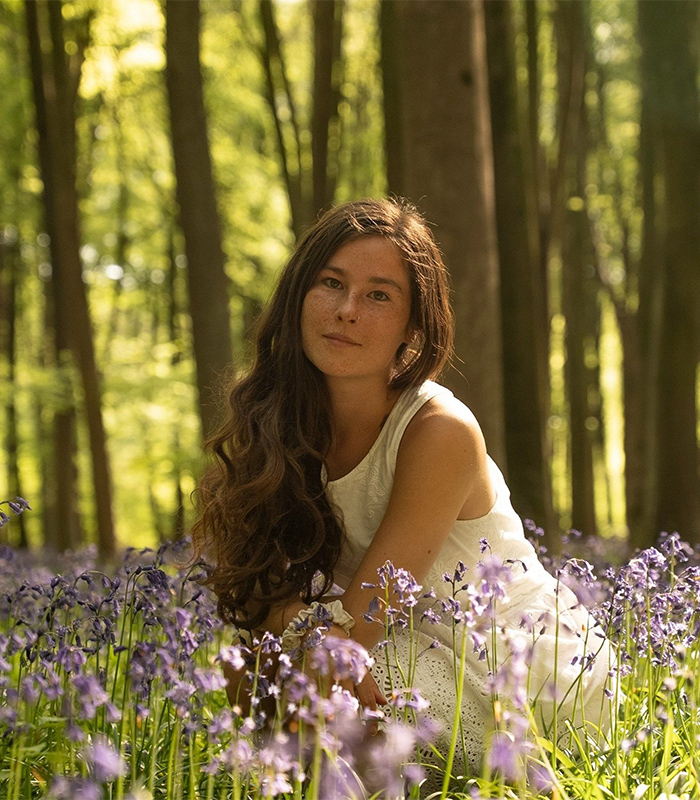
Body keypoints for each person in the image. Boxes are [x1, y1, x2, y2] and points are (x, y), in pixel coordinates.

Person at [191, 197, 616, 776]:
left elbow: (352, 630)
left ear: (413, 328)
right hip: (388, 653)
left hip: (514, 670)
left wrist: (290, 621)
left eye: (378, 295)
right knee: (245, 662)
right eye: (330, 283)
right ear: (298, 298)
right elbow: (240, 582)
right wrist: (285, 624)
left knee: (306, 685)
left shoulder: (438, 431)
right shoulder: (276, 425)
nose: (345, 310)